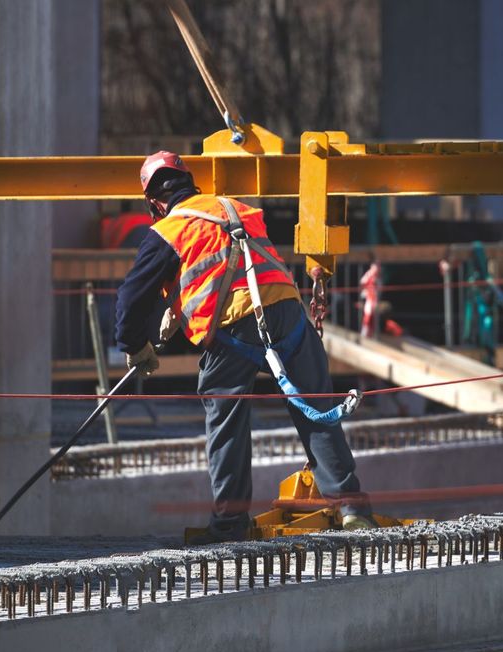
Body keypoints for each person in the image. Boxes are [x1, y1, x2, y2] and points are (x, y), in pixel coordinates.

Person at [115, 150, 375, 543]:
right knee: (317, 407)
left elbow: (132, 298)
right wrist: (177, 303)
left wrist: (135, 345)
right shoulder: (234, 208)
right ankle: (353, 510)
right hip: (288, 311)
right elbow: (227, 260)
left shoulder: (167, 230)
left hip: (235, 325)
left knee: (226, 422)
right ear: (189, 183)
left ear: (153, 201)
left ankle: (229, 525)